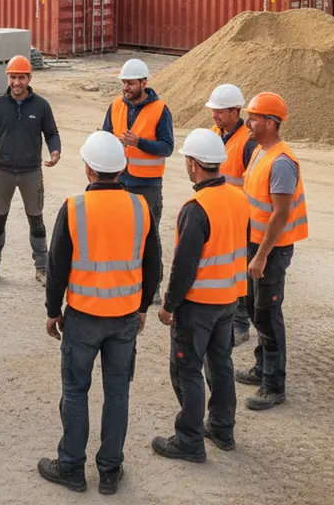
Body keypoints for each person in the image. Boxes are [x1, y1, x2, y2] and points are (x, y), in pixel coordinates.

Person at [39, 131, 161, 495]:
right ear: (122, 169)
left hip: (83, 318)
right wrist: (141, 308)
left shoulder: (74, 208)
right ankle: (110, 470)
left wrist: (51, 310)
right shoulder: (141, 207)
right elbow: (152, 265)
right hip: (124, 319)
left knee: (76, 391)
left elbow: (56, 266)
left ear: (89, 170)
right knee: (117, 394)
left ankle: (71, 467)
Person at [152, 129, 251, 463]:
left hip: (197, 306)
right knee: (220, 364)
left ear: (193, 164)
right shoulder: (239, 198)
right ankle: (222, 429)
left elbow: (184, 266)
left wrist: (168, 305)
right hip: (228, 300)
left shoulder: (196, 208)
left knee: (187, 370)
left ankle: (189, 439)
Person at [236, 92, 309, 411]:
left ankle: (274, 384)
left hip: (272, 249)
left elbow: (280, 214)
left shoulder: (281, 162)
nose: (248, 122)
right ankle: (261, 367)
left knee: (267, 312)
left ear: (270, 122)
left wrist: (262, 255)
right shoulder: (260, 152)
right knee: (254, 307)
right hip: (256, 242)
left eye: (253, 118)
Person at [0, 54, 61, 287]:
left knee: (36, 220)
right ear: (8, 78)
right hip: (2, 171)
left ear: (29, 78)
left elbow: (51, 133)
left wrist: (55, 152)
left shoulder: (41, 106)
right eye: (13, 77)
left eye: (21, 77)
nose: (17, 83)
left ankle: (42, 269)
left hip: (31, 172)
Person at [102, 59, 174, 300]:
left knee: (149, 237)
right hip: (119, 181)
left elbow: (167, 147)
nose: (126, 88)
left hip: (148, 184)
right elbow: (104, 137)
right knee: (120, 234)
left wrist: (139, 143)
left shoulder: (160, 110)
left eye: (131, 83)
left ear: (144, 83)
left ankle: (152, 287)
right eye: (124, 83)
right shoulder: (115, 106)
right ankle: (125, 278)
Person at [205, 83, 257, 345]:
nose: (215, 116)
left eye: (220, 112)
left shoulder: (248, 142)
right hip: (218, 213)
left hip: (239, 217)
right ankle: (225, 318)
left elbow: (253, 182)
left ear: (236, 111)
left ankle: (240, 325)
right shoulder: (216, 133)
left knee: (239, 270)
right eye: (213, 111)